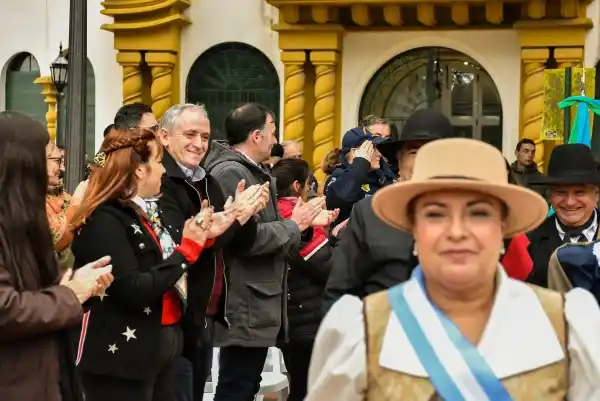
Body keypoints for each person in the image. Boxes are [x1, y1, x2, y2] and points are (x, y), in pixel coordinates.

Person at [307, 138, 600, 400]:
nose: (457, 232)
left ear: (503, 228)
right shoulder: (363, 331)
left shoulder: (564, 324)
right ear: (413, 229)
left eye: (478, 214)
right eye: (436, 214)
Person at [70, 126, 223, 401]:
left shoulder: (139, 211)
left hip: (157, 349)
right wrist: (187, 250)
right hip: (121, 362)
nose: (164, 170)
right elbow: (134, 287)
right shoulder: (105, 219)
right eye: (159, 161)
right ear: (140, 170)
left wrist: (203, 235)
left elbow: (163, 261)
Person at [203, 102, 324, 401]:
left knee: (245, 384)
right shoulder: (232, 172)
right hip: (244, 300)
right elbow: (246, 239)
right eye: (272, 131)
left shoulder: (252, 171)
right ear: (256, 136)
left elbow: (266, 228)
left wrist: (302, 225)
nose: (275, 140)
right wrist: (294, 225)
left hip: (256, 299)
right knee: (237, 386)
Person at [157, 103, 269, 401]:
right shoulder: (160, 181)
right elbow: (182, 242)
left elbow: (237, 245)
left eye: (205, 137)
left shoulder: (208, 180)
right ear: (164, 137)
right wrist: (231, 218)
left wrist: (245, 216)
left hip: (205, 313)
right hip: (172, 314)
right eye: (190, 134)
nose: (199, 144)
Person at [0, 111, 113, 401]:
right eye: (49, 158)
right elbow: (6, 309)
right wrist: (70, 294)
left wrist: (79, 287)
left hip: (43, 375)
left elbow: (38, 293)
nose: (56, 169)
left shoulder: (21, 217)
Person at [322, 109, 451, 313]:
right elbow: (339, 298)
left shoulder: (473, 218)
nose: (424, 160)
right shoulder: (369, 214)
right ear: (400, 161)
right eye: (414, 152)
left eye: (434, 152)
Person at [272, 158, 339, 401]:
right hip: (306, 317)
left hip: (292, 314)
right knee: (308, 389)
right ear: (297, 185)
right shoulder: (296, 215)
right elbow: (326, 265)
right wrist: (346, 240)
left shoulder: (275, 211)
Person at [527, 144, 600, 287]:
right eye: (561, 192)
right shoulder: (529, 242)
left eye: (579, 192)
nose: (570, 202)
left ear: (596, 194)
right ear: (549, 195)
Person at [325, 128, 395, 226]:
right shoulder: (338, 176)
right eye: (372, 148)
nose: (379, 154)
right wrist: (360, 162)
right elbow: (341, 200)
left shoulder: (382, 176)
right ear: (355, 153)